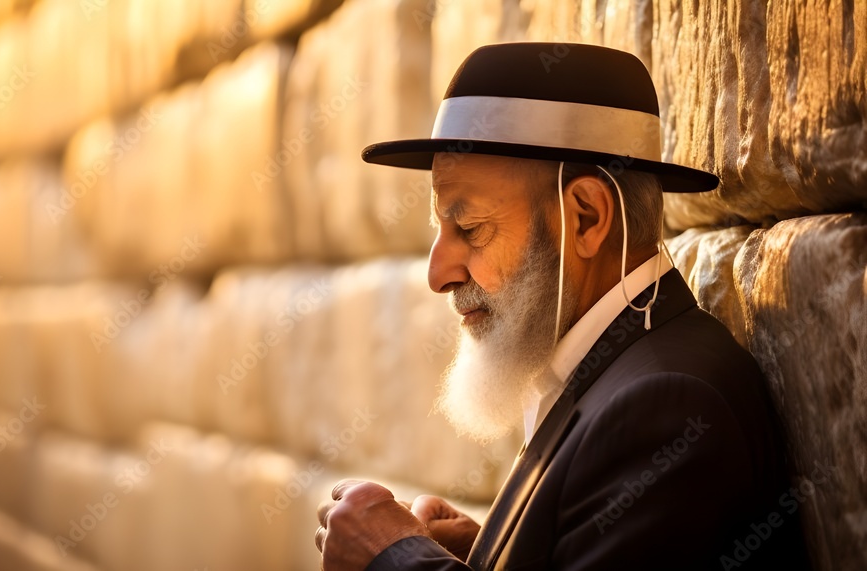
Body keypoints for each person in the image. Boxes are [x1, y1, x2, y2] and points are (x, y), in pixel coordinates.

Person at [314, 43, 810, 570]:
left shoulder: (665, 406)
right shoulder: (620, 371)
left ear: (587, 217)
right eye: (440, 230)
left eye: (471, 228)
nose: (439, 274)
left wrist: (393, 557)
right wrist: (489, 551)